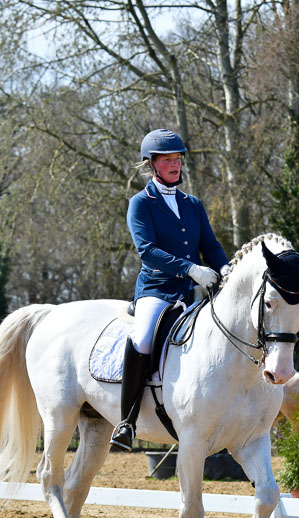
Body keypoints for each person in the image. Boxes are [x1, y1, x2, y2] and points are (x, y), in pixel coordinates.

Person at [110, 128, 230, 451]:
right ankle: (127, 421)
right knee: (142, 338)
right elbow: (147, 251)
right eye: (167, 160)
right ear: (151, 164)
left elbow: (210, 246)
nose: (175, 165)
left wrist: (224, 269)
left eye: (178, 159)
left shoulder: (193, 204)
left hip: (193, 291)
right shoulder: (140, 204)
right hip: (156, 290)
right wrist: (191, 269)